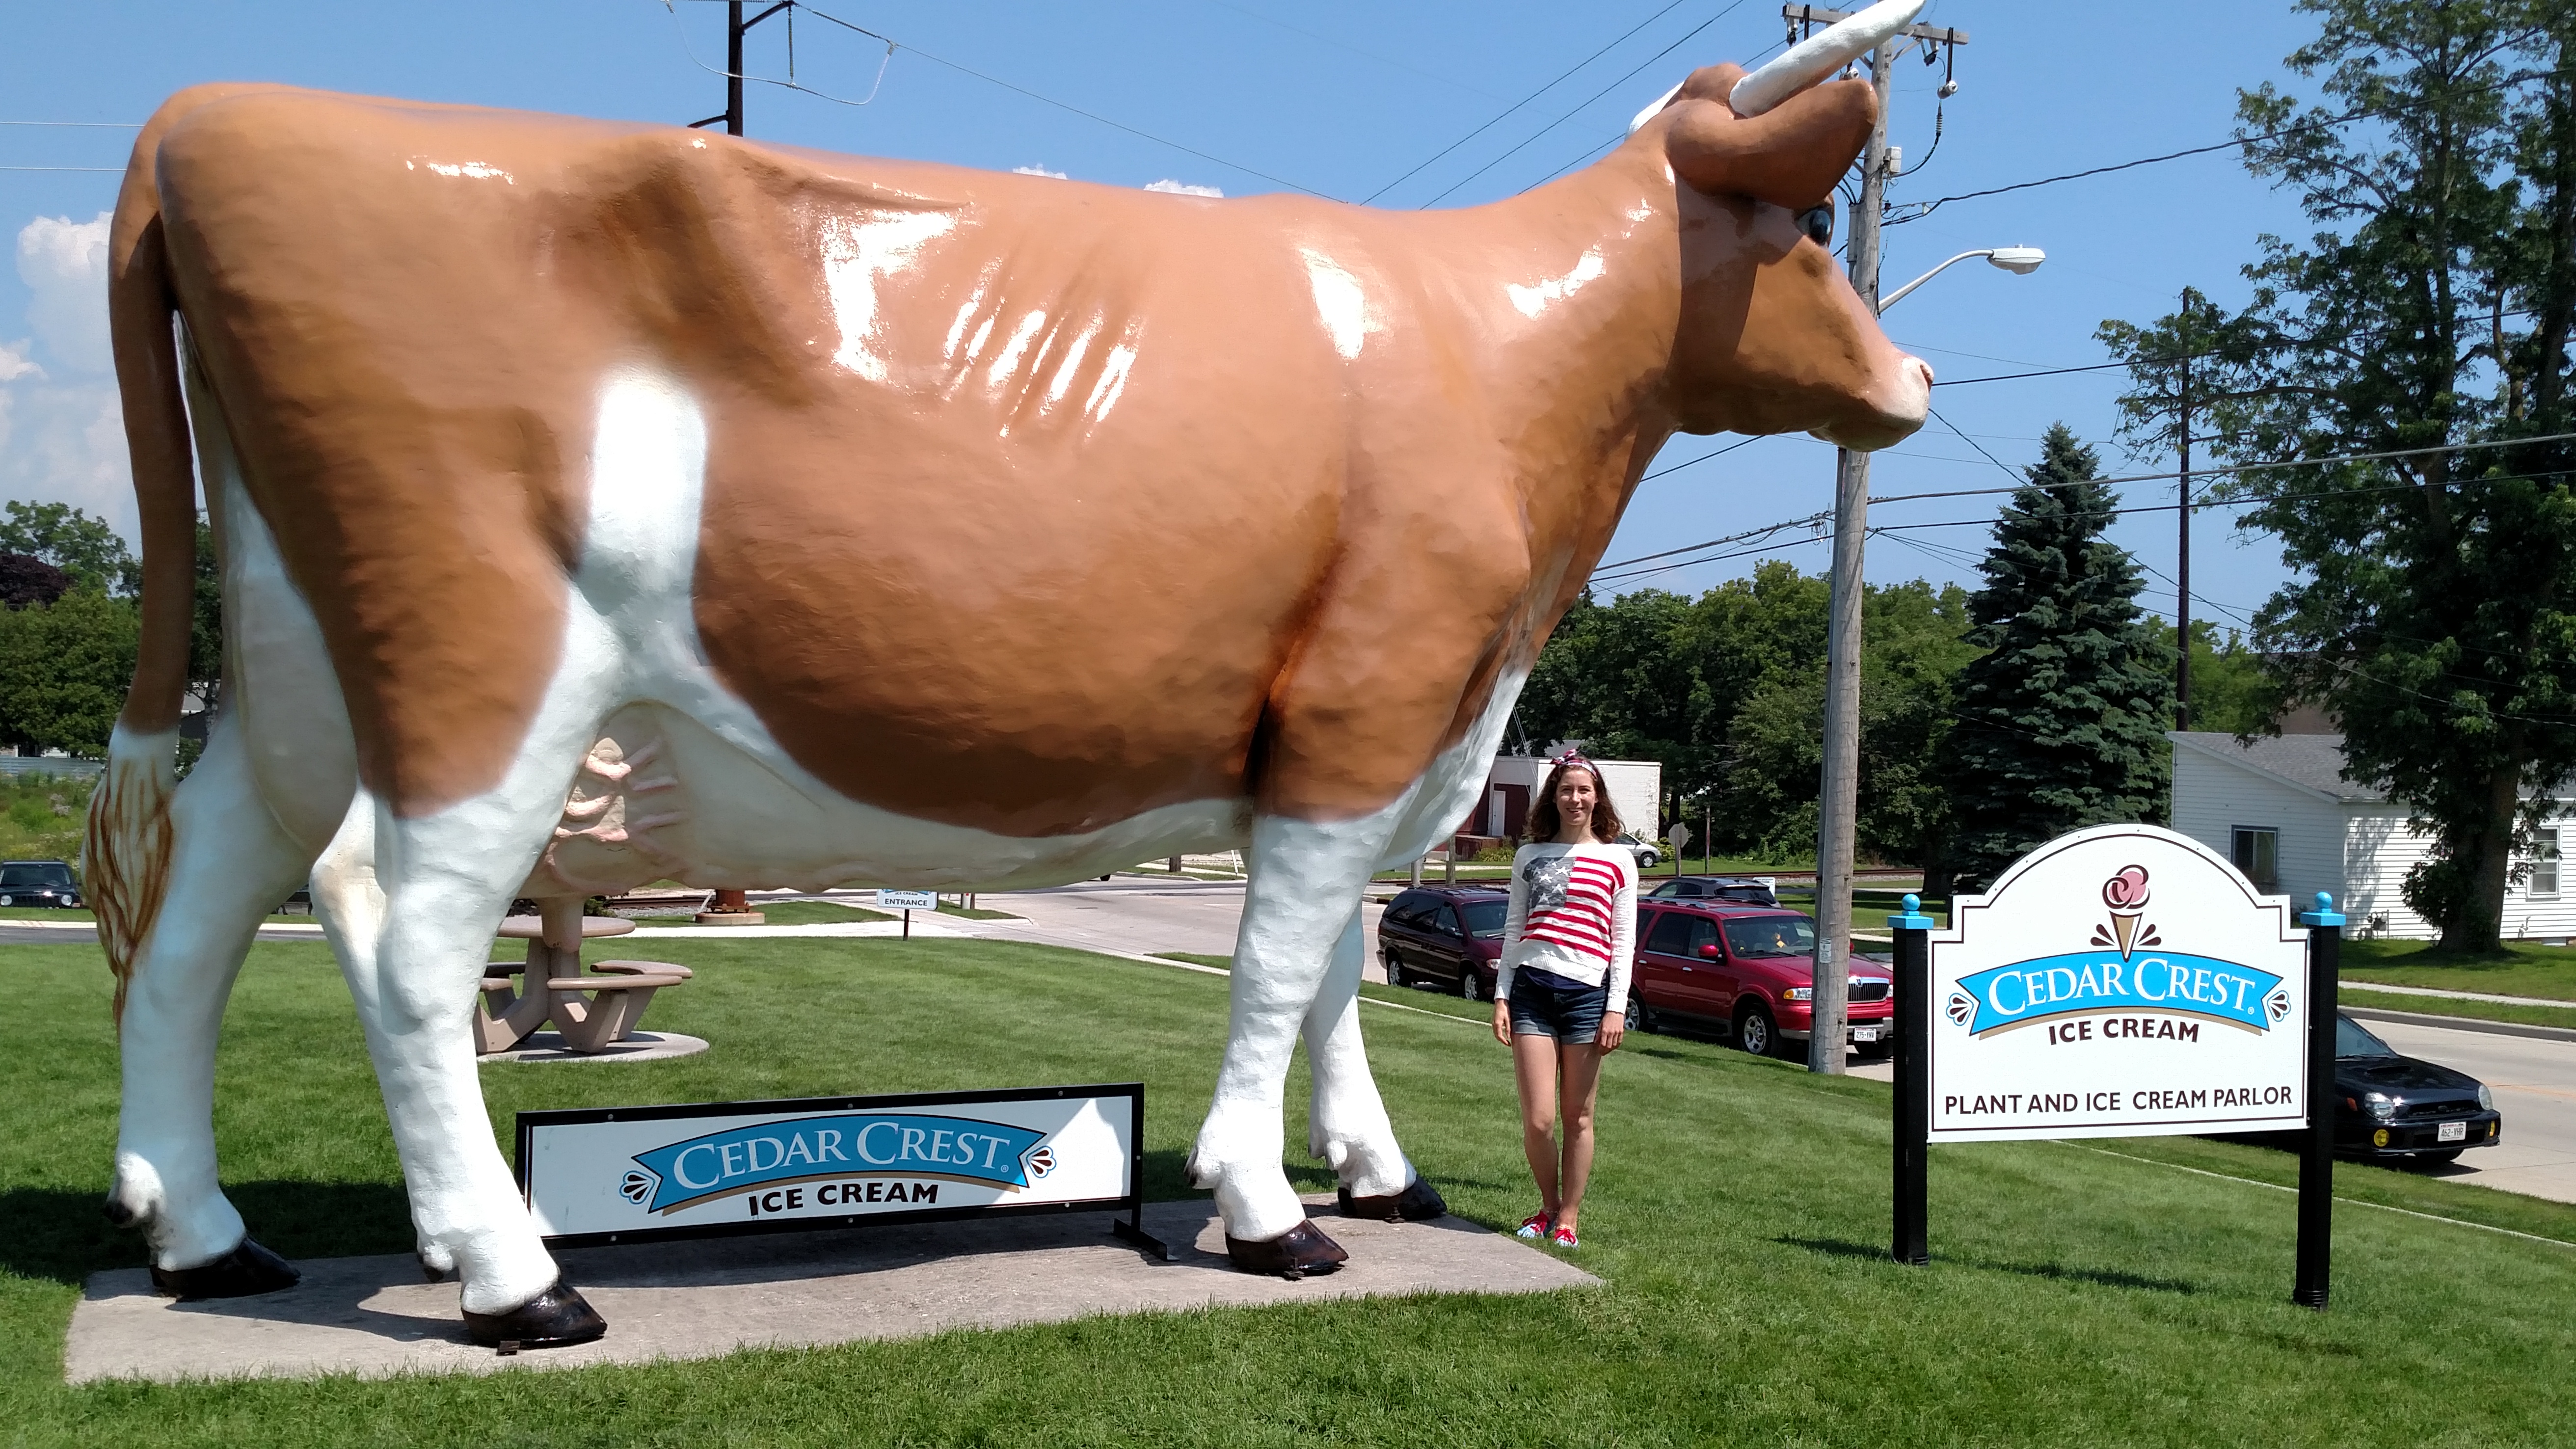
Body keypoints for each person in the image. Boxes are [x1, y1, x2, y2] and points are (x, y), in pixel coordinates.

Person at [1491, 752, 1634, 1249]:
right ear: (1553, 797)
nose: (1575, 799)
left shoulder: (1618, 860)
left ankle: (1569, 1217)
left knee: (1578, 1116)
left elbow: (1622, 942)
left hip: (1588, 997)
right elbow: (1513, 928)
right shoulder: (1529, 856)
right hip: (1531, 991)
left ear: (1597, 798)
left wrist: (1616, 1007)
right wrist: (1502, 995)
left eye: (1584, 790)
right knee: (1538, 1120)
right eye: (1566, 790)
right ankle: (1547, 1205)